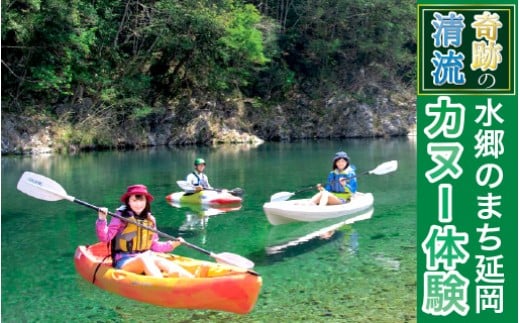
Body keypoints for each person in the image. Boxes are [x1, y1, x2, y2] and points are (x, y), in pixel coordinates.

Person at [96, 184, 194, 278]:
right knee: (143, 259)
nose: (138, 204)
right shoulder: (120, 217)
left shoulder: (150, 219)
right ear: (128, 202)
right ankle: (160, 284)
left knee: (160, 260)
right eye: (134, 200)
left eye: (141, 200)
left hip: (147, 256)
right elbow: (105, 238)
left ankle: (191, 281)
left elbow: (154, 245)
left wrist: (172, 244)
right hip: (124, 260)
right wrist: (102, 219)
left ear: (146, 201)